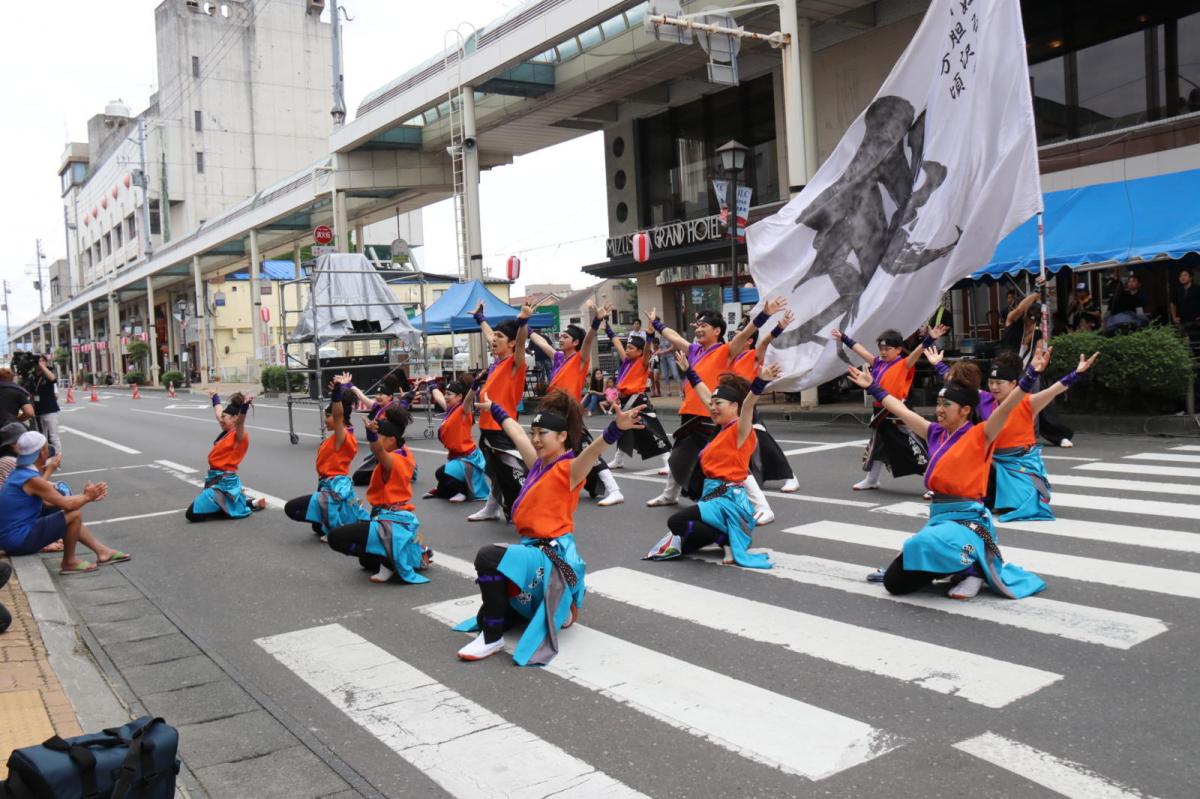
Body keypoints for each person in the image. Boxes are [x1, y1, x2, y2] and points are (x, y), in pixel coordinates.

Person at [453, 389, 645, 664]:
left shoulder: (570, 470)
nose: (535, 439)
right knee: (495, 609)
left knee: (489, 557)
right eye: (535, 433)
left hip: (551, 556)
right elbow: (516, 434)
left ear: (562, 436)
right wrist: (494, 408)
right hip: (535, 551)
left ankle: (493, 636)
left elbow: (593, 451)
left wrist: (615, 429)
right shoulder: (538, 466)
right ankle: (557, 607)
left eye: (542, 434)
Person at [848, 356, 1045, 601]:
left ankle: (974, 571)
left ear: (965, 410)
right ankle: (951, 569)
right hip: (939, 518)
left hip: (968, 521)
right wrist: (872, 386)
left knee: (927, 545)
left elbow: (1005, 408)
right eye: (938, 403)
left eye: (946, 404)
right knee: (895, 583)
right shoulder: (933, 432)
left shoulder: (980, 435)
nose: (939, 409)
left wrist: (1031, 377)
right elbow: (900, 409)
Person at [645, 298, 786, 514]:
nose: (699, 329)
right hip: (690, 411)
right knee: (678, 454)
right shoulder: (693, 350)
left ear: (717, 331)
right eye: (698, 326)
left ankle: (762, 507)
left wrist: (764, 315)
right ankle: (670, 494)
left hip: (711, 414)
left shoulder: (726, 351)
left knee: (727, 461)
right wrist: (657, 323)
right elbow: (673, 336)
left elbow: (746, 334)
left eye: (704, 326)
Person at [927, 347, 1099, 521]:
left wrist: (1076, 373)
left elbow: (1054, 390)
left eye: (999, 383)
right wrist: (939, 365)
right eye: (991, 382)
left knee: (1019, 505)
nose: (994, 387)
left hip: (1020, 461)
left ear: (1013, 384)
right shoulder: (984, 399)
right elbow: (960, 386)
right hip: (992, 460)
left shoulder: (1029, 402)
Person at [645, 363, 781, 567]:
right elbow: (704, 395)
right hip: (712, 496)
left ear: (735, 406)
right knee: (686, 542)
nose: (712, 407)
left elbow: (748, 405)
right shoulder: (722, 429)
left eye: (719, 404)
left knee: (676, 523)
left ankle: (726, 539)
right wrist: (689, 371)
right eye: (712, 404)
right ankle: (723, 537)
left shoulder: (740, 430)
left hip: (727, 500)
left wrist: (761, 382)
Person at [833, 324, 948, 490]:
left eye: (888, 348)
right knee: (877, 445)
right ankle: (872, 479)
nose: (883, 352)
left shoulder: (905, 364)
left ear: (899, 349)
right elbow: (861, 350)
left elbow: (918, 350)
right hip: (880, 411)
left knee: (914, 446)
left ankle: (934, 483)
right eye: (881, 348)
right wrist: (844, 337)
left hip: (900, 413)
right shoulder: (877, 363)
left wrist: (930, 338)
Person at [326, 403, 431, 584]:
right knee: (366, 561)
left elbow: (378, 449)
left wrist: (372, 435)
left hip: (390, 519)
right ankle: (414, 549)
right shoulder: (404, 451)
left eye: (381, 435)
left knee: (335, 538)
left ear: (390, 440)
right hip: (396, 516)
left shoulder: (393, 460)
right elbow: (386, 442)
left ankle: (391, 561)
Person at [0, 431, 129, 574]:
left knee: (59, 510)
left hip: (9, 537)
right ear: (42, 452)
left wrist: (84, 496)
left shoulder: (20, 472)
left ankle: (102, 551)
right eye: (46, 448)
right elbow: (68, 505)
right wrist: (87, 497)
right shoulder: (31, 479)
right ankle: (69, 562)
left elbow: (49, 503)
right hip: (17, 541)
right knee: (73, 514)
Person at [284, 374, 369, 540]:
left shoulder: (342, 436)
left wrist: (336, 396)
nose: (325, 421)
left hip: (335, 488)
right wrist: (343, 388)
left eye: (327, 416)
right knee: (317, 527)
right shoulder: (342, 435)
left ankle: (343, 524)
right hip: (328, 486)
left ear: (339, 417)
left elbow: (338, 416)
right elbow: (338, 416)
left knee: (292, 509)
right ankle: (348, 513)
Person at [468, 302, 532, 522]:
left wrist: (523, 321)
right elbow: (489, 335)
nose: (493, 339)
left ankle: (524, 511)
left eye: (500, 337)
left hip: (503, 427)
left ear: (512, 343)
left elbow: (522, 342)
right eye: (494, 336)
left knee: (511, 474)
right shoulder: (498, 361)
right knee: (495, 472)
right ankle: (491, 507)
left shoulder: (516, 362)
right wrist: (480, 318)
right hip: (488, 427)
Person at [727, 310, 800, 495]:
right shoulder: (730, 358)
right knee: (731, 443)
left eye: (739, 337)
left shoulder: (753, 356)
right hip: (730, 407)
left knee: (763, 440)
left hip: (748, 404)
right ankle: (736, 476)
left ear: (749, 341)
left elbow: (765, 341)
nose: (734, 340)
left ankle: (790, 476)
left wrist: (779, 327)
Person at [185, 391, 268, 521]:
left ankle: (245, 504)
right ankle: (250, 503)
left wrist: (245, 406)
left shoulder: (239, 435)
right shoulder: (227, 430)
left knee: (192, 514)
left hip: (224, 483)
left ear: (235, 417)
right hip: (214, 479)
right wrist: (215, 397)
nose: (221, 419)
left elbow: (240, 423)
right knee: (208, 507)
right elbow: (218, 413)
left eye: (224, 417)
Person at [607, 325, 671, 472]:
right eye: (627, 347)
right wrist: (607, 328)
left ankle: (668, 460)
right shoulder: (626, 362)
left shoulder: (643, 362)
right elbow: (617, 343)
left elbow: (647, 348)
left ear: (640, 351)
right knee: (621, 429)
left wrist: (649, 337)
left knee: (653, 430)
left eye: (630, 348)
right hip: (625, 401)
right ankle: (618, 459)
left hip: (638, 401)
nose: (627, 350)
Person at [425, 377, 490, 503]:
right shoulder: (450, 410)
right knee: (443, 487)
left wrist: (475, 385)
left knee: (440, 473)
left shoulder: (463, 410)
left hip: (468, 458)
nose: (445, 396)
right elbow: (438, 397)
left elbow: (469, 398)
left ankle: (463, 491)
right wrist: (431, 384)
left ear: (459, 397)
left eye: (449, 394)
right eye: (446, 393)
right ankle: (450, 490)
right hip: (456, 457)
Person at [348, 371, 410, 486]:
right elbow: (362, 397)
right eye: (376, 394)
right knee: (362, 472)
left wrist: (406, 399)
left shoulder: (394, 409)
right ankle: (397, 471)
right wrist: (350, 386)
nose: (378, 397)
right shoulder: (378, 407)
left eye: (382, 394)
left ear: (390, 397)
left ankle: (404, 470)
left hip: (391, 450)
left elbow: (402, 411)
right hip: (380, 448)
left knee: (359, 477)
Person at [31, 355, 62, 455]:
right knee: (42, 437)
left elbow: (53, 379)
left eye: (43, 360)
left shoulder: (47, 374)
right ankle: (45, 458)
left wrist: (43, 367)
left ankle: (57, 459)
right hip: (39, 410)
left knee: (53, 437)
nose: (41, 362)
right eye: (39, 361)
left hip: (50, 410)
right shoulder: (34, 376)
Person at [1171, 267, 1200, 350]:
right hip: (1182, 321)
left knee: (1196, 343)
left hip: (1196, 321)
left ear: (1190, 277)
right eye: (1180, 276)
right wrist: (1174, 317)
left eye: (1185, 275)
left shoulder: (1197, 288)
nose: (1182, 277)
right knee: (1183, 345)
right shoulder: (1177, 290)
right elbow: (1173, 304)